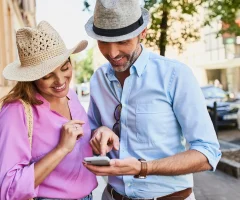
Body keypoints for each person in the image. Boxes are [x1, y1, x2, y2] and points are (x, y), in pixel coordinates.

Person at [83, 0, 221, 200]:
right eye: (104, 42)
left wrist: (143, 168)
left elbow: (208, 153)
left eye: (122, 41)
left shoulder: (175, 75)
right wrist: (99, 131)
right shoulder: (98, 79)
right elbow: (91, 134)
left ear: (143, 34)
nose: (112, 53)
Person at [0, 21, 97, 200]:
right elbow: (8, 189)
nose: (60, 81)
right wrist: (60, 149)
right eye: (47, 76)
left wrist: (100, 133)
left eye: (65, 67)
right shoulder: (16, 111)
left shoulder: (71, 96)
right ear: (32, 78)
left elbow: (79, 148)